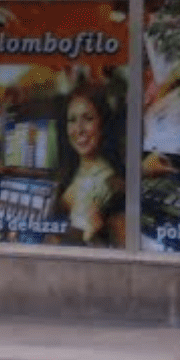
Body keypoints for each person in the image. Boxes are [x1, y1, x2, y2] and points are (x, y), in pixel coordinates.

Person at [57, 83, 126, 247]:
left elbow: (122, 250)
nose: (79, 129)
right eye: (72, 120)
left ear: (102, 124)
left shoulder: (110, 182)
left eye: (88, 119)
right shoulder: (70, 168)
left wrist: (94, 237)